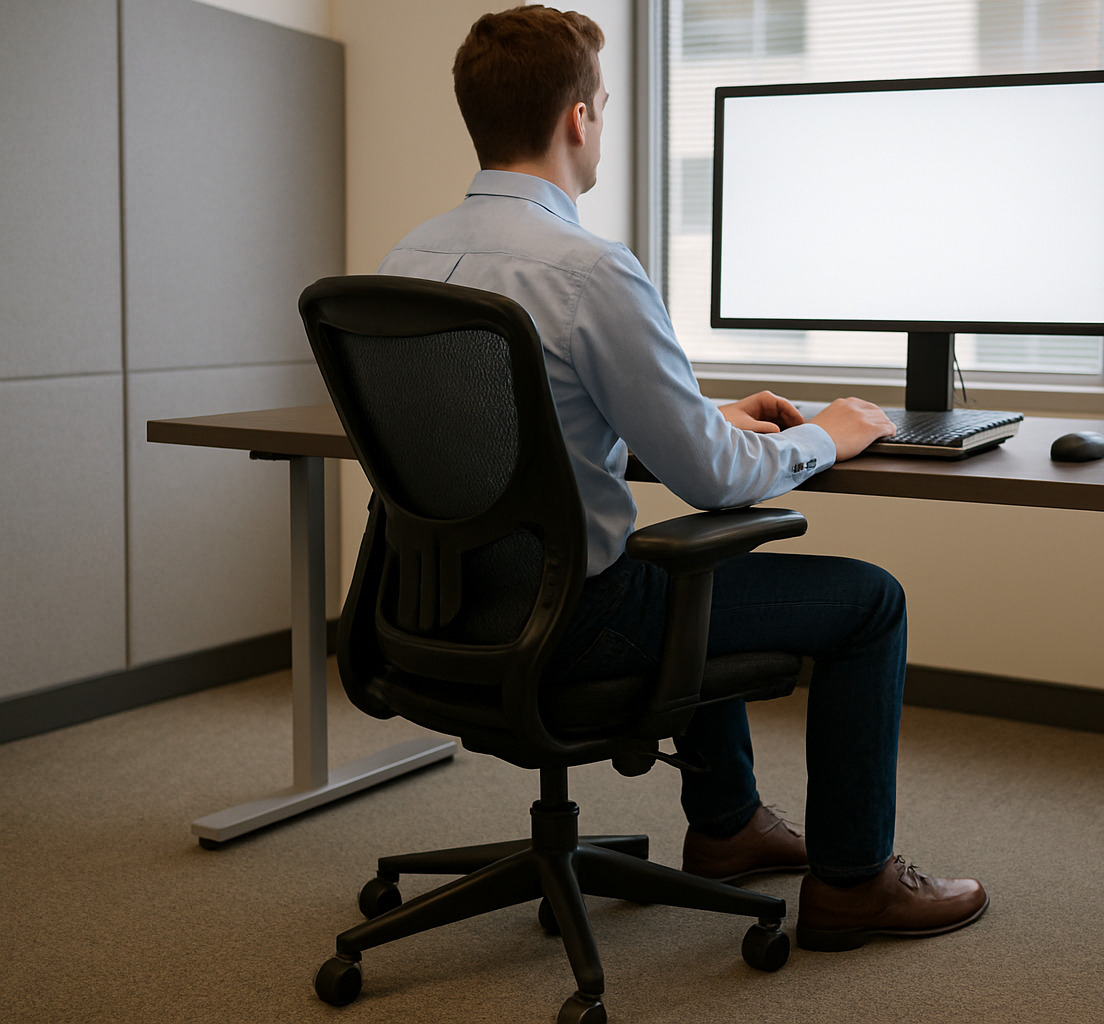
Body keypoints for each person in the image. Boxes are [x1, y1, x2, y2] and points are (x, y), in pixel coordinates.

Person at [378, 5, 986, 952]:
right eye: (607, 105)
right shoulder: (589, 272)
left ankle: (730, 825)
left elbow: (519, 447)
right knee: (867, 602)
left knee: (687, 576)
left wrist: (694, 422)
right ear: (579, 118)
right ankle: (854, 884)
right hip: (573, 624)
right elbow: (717, 481)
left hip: (440, 613)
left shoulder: (406, 259)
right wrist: (829, 433)